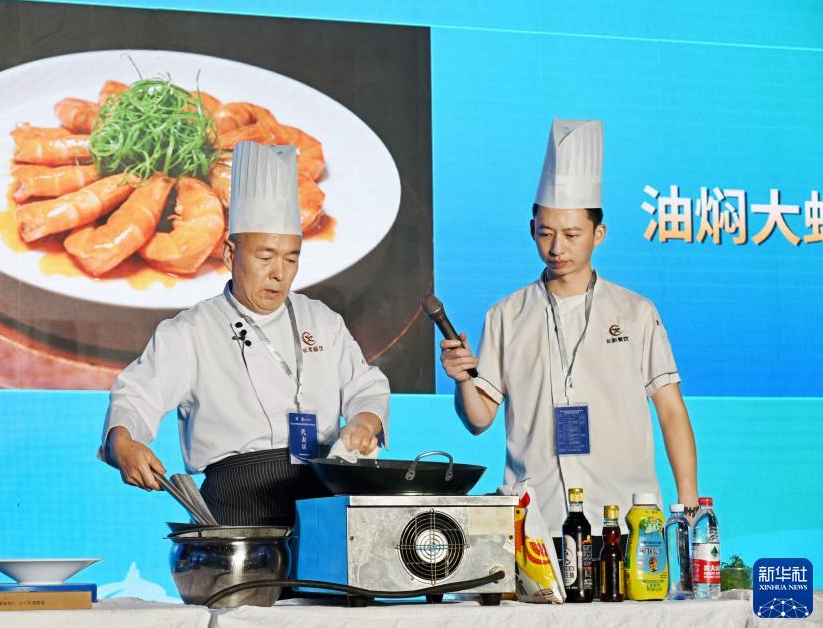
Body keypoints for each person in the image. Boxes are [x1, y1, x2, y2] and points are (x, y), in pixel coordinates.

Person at [99, 141, 390, 526]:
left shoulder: (322, 320)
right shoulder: (191, 331)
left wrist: (364, 422)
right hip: (234, 505)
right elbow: (137, 395)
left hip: (322, 498)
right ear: (229, 254)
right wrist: (123, 442)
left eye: (291, 258)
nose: (279, 273)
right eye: (265, 257)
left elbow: (366, 385)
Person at [440, 119, 699, 537]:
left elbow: (670, 410)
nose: (557, 247)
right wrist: (462, 379)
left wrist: (689, 505)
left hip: (627, 518)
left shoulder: (636, 312)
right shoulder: (506, 315)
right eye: (546, 233)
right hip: (538, 523)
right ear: (531, 230)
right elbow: (479, 419)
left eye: (572, 234)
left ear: (599, 234)